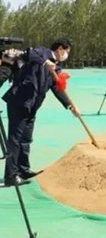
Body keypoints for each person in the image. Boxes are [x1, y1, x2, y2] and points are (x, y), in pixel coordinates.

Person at [2, 39, 79, 187]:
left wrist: (70, 105)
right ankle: (11, 176)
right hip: (20, 102)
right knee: (15, 139)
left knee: (26, 139)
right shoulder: (42, 53)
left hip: (32, 106)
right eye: (67, 52)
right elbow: (29, 54)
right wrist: (45, 62)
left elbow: (57, 88)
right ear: (60, 49)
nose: (66, 55)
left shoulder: (56, 67)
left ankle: (23, 170)